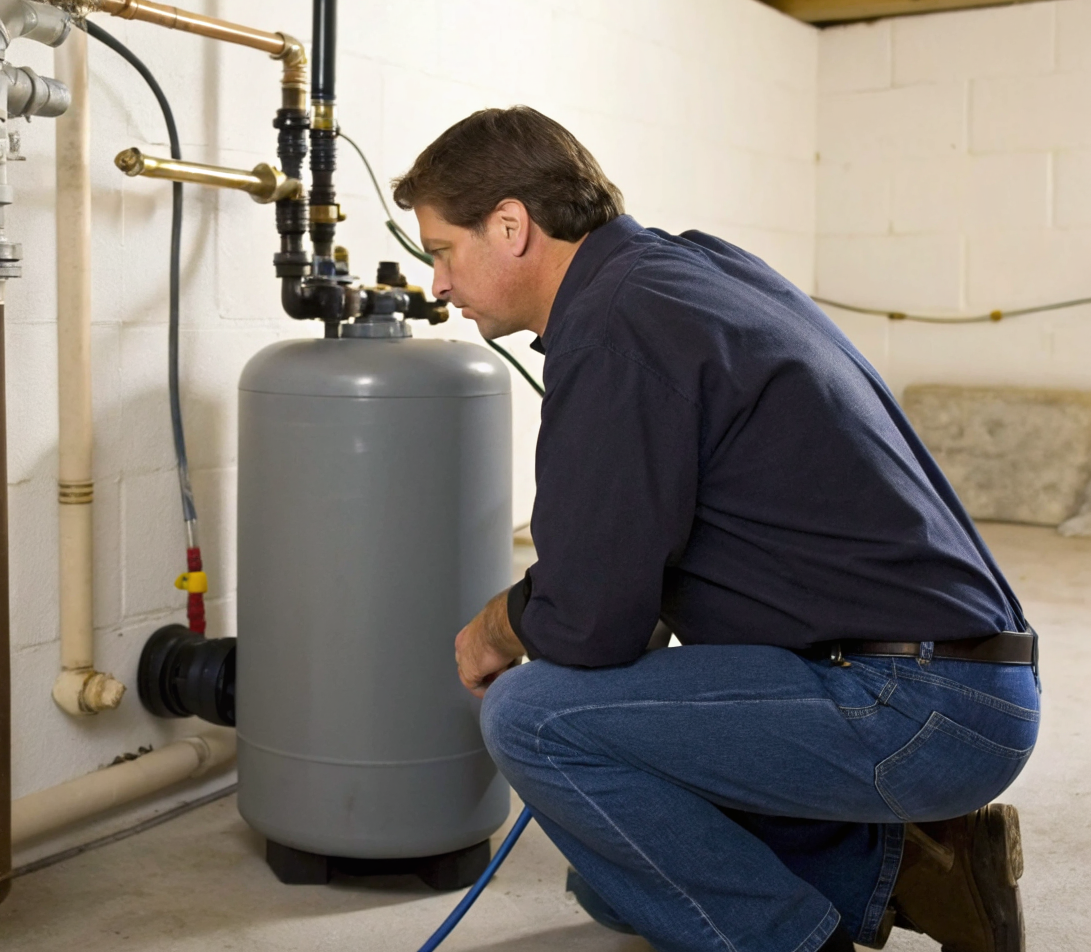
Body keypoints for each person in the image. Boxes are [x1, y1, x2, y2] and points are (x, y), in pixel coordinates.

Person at [392, 106, 1039, 952]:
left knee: (533, 718)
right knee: (614, 883)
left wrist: (497, 623)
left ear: (510, 226)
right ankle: (920, 868)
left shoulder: (617, 330)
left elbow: (588, 623)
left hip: (916, 708)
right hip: (956, 684)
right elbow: (638, 581)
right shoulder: (685, 269)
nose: (438, 282)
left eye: (443, 250)